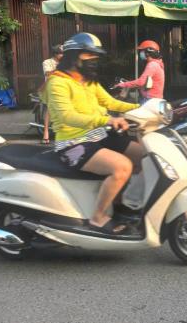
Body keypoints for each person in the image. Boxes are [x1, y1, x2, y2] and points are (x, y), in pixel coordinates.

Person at [46, 32, 143, 234]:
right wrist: (107, 119)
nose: (93, 60)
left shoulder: (88, 80)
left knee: (143, 156)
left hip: (98, 135)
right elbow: (67, 116)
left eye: (95, 56)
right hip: (73, 143)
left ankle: (116, 205)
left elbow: (110, 102)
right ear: (73, 56)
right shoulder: (57, 82)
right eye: (88, 55)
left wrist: (143, 109)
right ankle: (98, 218)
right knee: (122, 167)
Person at [40, 44, 63, 144]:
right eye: (61, 53)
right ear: (55, 54)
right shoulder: (47, 62)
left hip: (63, 87)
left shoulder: (66, 62)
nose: (63, 55)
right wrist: (59, 68)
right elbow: (48, 74)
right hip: (51, 88)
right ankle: (45, 132)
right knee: (50, 108)